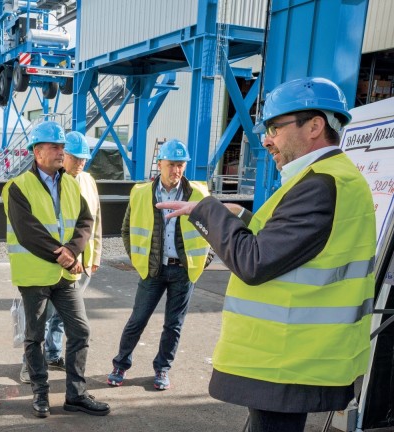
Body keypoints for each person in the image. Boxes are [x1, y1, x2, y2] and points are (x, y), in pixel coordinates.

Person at [157, 77, 376, 432]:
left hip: (289, 358)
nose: (266, 139)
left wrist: (207, 210)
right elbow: (295, 246)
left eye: (275, 127)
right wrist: (239, 217)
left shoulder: (320, 184)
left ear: (315, 126)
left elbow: (253, 262)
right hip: (297, 355)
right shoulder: (329, 178)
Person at [3, 120, 110, 418]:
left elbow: (85, 221)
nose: (61, 151)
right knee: (34, 336)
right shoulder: (17, 187)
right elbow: (27, 230)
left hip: (66, 275)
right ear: (37, 152)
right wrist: (60, 254)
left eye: (62, 147)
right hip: (35, 275)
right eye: (55, 146)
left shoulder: (72, 184)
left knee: (80, 330)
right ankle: (40, 394)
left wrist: (73, 250)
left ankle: (75, 395)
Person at [105, 139, 211, 390]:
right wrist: (139, 260)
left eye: (181, 165)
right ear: (160, 164)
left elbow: (213, 232)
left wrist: (202, 261)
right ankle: (120, 364)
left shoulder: (199, 195)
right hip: (153, 269)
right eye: (171, 164)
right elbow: (126, 230)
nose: (176, 170)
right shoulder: (142, 193)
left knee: (173, 324)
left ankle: (162, 369)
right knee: (137, 319)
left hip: (184, 271)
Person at [20, 131, 103, 383]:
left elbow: (93, 219)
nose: (80, 163)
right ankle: (31, 370)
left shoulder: (86, 181)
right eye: (75, 158)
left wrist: (94, 254)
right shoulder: (29, 185)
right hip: (48, 265)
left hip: (77, 264)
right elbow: (37, 230)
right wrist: (67, 256)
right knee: (39, 323)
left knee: (64, 320)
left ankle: (54, 354)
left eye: (83, 159)